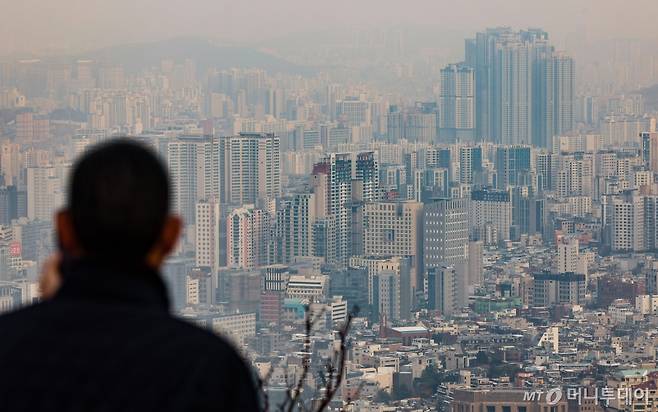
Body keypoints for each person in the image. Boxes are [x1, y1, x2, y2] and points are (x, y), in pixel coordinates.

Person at [0, 140, 261, 411]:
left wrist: (56, 310)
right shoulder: (210, 370)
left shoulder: (8, 346)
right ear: (170, 235)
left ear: (64, 229)